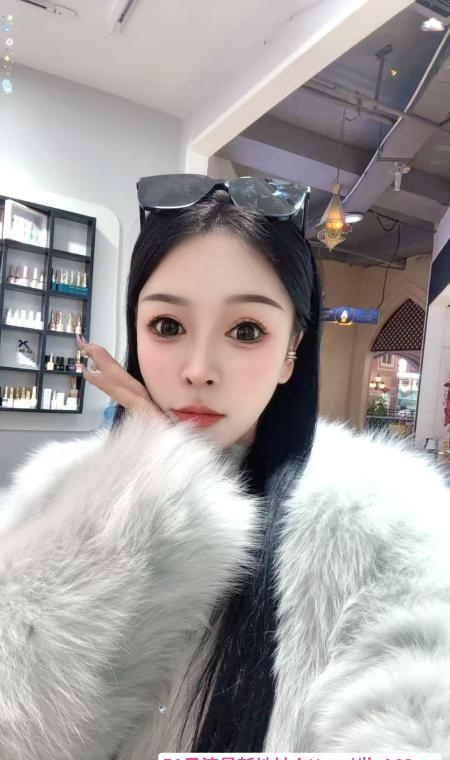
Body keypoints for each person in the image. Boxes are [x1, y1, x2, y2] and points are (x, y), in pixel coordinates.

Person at [0, 174, 449, 760]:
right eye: (167, 326)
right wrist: (143, 490)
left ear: (291, 351)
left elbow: (418, 722)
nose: (198, 369)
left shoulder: (387, 517)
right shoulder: (62, 492)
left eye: (246, 330)